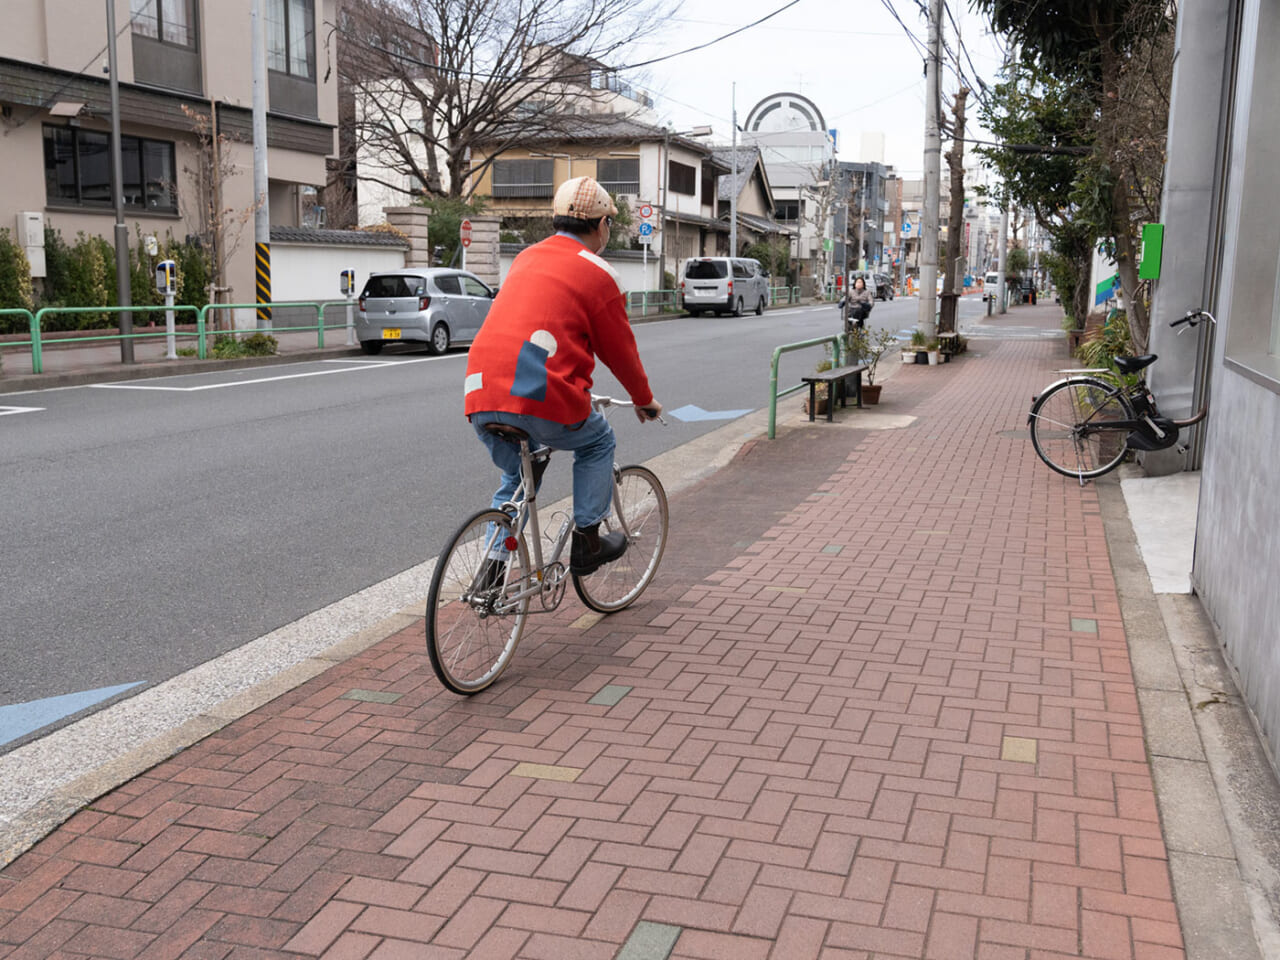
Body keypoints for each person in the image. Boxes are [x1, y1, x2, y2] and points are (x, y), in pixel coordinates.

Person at [464, 176, 664, 576]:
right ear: (602, 225)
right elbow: (620, 352)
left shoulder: (525, 258)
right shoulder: (598, 273)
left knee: (522, 473)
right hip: (536, 394)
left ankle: (492, 569)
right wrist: (644, 399)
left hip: (480, 392)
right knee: (597, 440)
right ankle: (588, 542)